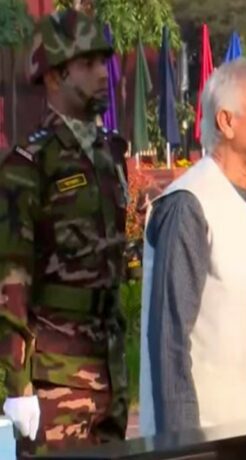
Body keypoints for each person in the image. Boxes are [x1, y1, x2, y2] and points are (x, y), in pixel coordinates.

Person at [139, 59, 246, 436]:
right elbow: (170, 344)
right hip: (214, 441)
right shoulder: (189, 204)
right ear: (226, 122)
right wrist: (184, 447)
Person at [0, 9, 129, 454]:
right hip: (56, 376)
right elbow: (11, 279)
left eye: (103, 63)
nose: (102, 74)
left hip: (109, 366)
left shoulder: (111, 155)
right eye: (88, 64)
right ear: (54, 76)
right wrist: (18, 384)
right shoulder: (29, 164)